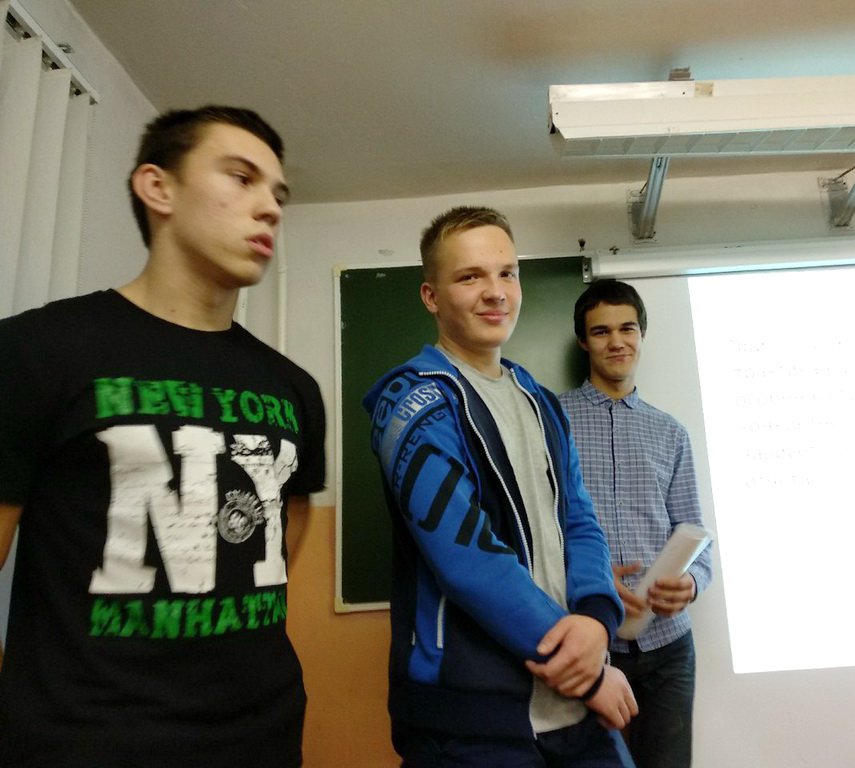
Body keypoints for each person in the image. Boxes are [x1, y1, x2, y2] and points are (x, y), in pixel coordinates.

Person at [0, 106, 326, 767]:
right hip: (83, 742)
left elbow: (290, 517)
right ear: (158, 187)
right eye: (241, 178)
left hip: (263, 737)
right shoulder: (36, 351)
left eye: (278, 193)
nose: (270, 207)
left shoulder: (293, 386)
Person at [363, 206, 638, 766]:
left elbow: (578, 520)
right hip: (473, 721)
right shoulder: (413, 402)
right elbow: (468, 559)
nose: (495, 292)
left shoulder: (539, 400)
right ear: (431, 296)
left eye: (507, 273)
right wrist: (587, 672)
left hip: (574, 703)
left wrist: (596, 620)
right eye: (470, 276)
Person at [559, 279, 713, 768]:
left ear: (642, 334)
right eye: (600, 331)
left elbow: (698, 540)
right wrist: (583, 579)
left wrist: (691, 582)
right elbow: (535, 532)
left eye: (627, 328)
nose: (616, 341)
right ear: (583, 341)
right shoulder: (552, 423)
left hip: (668, 646)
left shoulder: (670, 432)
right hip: (591, 641)